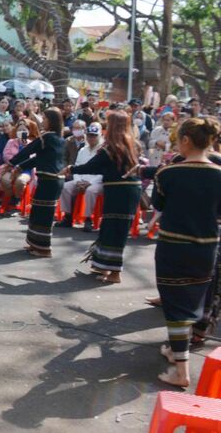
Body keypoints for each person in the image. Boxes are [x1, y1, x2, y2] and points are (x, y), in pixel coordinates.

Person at [148, 118, 221, 388]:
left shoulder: (168, 173)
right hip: (206, 250)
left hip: (173, 249)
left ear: (186, 141)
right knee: (190, 302)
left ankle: (182, 371)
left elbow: (158, 204)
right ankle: (175, 350)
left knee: (176, 308)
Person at [65, 112, 140, 284]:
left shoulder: (112, 147)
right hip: (126, 191)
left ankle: (114, 273)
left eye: (109, 123)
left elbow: (92, 166)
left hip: (120, 192)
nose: (106, 126)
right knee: (112, 228)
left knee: (115, 230)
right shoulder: (130, 144)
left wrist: (71, 169)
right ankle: (102, 264)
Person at [8, 108, 67, 257]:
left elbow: (28, 150)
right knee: (38, 211)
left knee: (43, 214)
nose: (42, 121)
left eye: (45, 119)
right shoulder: (59, 139)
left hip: (50, 180)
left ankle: (44, 249)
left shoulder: (47, 137)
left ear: (52, 121)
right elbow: (38, 158)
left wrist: (12, 163)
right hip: (53, 180)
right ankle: (35, 243)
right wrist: (20, 166)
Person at [57, 122, 103, 230]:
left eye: (94, 135)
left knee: (91, 191)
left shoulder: (102, 151)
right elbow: (76, 167)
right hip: (81, 180)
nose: (91, 138)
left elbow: (103, 172)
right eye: (89, 135)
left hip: (97, 182)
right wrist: (77, 181)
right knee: (65, 187)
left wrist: (90, 183)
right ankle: (68, 217)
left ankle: (88, 219)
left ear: (99, 136)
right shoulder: (82, 150)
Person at [0, 119, 38, 215]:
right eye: (19, 130)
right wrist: (14, 164)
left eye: (24, 130)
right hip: (11, 168)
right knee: (5, 180)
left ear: (28, 132)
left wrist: (22, 163)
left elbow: (33, 158)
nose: (22, 132)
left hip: (26, 170)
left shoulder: (32, 144)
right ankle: (11, 197)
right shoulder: (11, 142)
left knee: (20, 181)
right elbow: (6, 155)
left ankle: (16, 198)